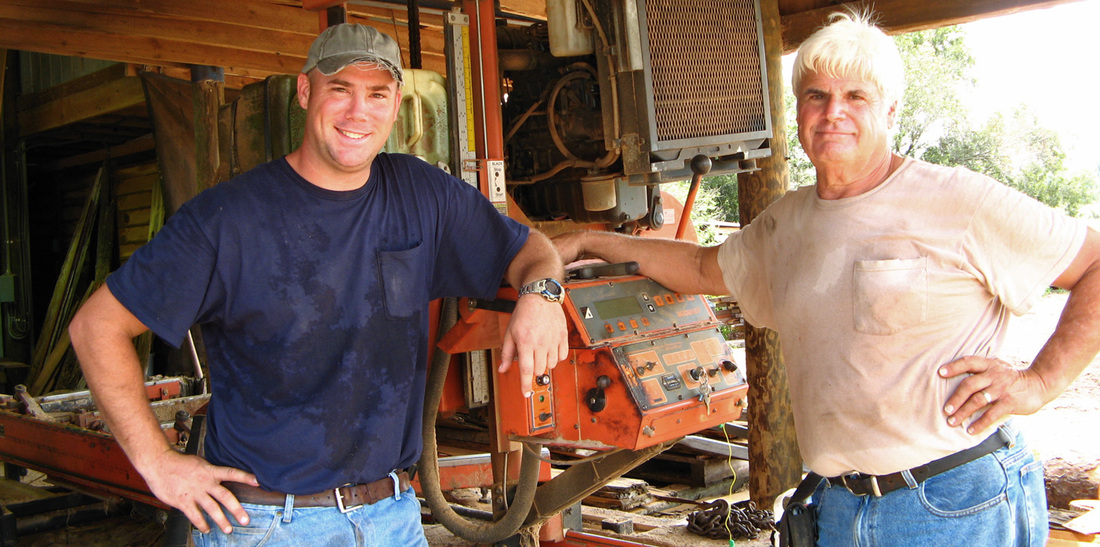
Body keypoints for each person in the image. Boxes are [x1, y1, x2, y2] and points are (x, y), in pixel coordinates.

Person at [554, 11, 1100, 546]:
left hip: (952, 502)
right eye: (817, 95)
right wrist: (588, 240)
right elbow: (699, 266)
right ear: (799, 109)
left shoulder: (959, 202)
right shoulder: (786, 223)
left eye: (856, 97)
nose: (833, 112)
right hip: (838, 507)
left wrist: (1040, 382)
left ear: (889, 109)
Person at [68, 23, 568, 546]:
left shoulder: (422, 194)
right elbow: (96, 327)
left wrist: (543, 294)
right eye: (340, 90)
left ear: (396, 104)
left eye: (376, 94)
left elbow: (531, 252)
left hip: (392, 516)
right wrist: (159, 465)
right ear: (305, 92)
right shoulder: (228, 220)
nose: (359, 113)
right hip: (268, 525)